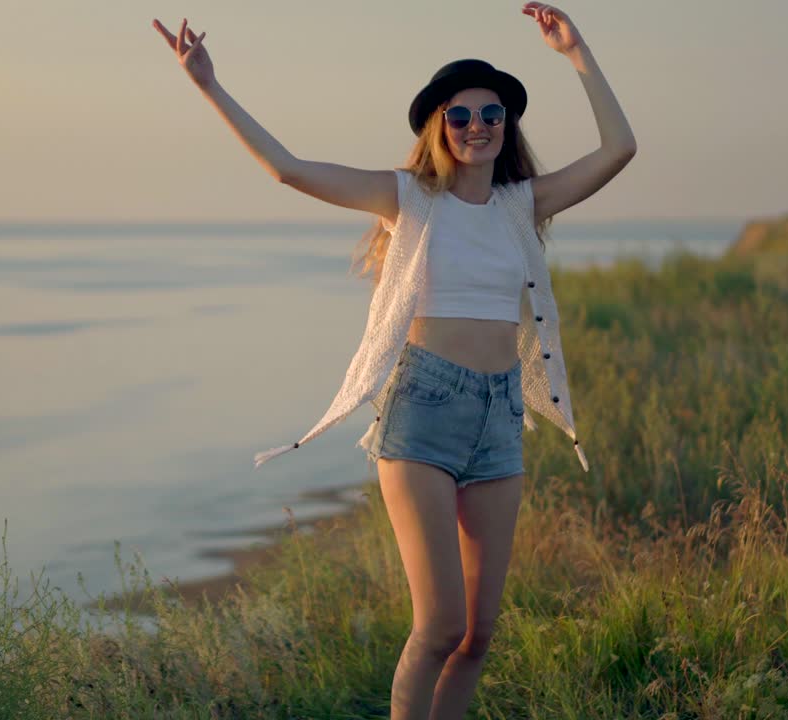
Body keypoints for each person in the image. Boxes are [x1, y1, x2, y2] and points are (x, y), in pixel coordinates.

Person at [154, 4, 635, 718]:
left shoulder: (520, 205)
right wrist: (209, 86)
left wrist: (577, 53)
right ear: (439, 127)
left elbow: (619, 149)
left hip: (500, 418)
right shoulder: (406, 198)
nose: (478, 126)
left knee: (478, 634)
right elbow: (288, 170)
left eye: (491, 114)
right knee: (438, 626)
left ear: (507, 126)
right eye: (461, 116)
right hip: (424, 412)